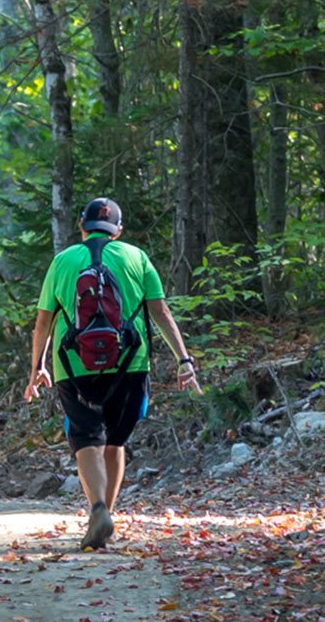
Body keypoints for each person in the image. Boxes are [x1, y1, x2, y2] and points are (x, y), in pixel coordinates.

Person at [23, 197, 200, 549]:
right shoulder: (137, 257)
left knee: (87, 438)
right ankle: (108, 513)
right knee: (115, 440)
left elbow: (44, 320)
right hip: (131, 363)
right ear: (118, 230)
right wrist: (184, 361)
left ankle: (98, 508)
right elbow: (161, 312)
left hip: (73, 364)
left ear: (81, 226)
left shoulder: (62, 261)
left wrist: (36, 368)